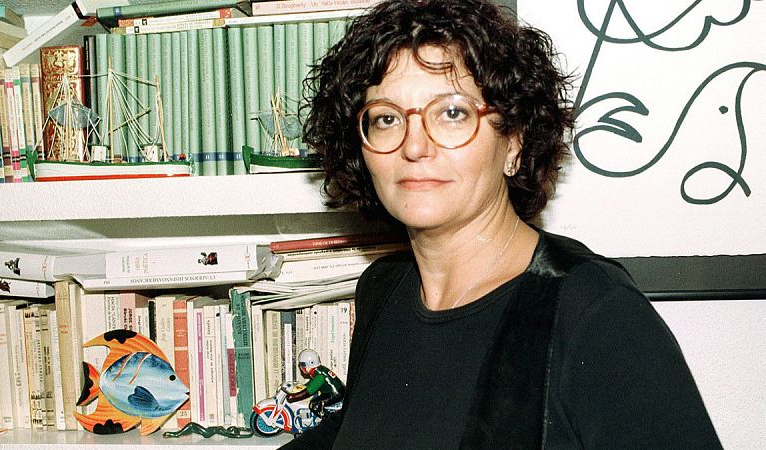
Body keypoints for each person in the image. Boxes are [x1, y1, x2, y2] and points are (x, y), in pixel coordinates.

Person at [283, 0, 721, 448]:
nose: (414, 146)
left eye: (452, 113)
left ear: (513, 140)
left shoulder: (594, 312)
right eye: (386, 118)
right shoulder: (382, 291)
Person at [285, 349, 345, 418]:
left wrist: (293, 397)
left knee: (313, 405)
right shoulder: (319, 370)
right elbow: (312, 383)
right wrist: (302, 386)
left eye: (303, 365)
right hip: (336, 390)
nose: (301, 367)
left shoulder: (319, 377)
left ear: (311, 363)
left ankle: (329, 419)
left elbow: (308, 392)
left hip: (335, 394)